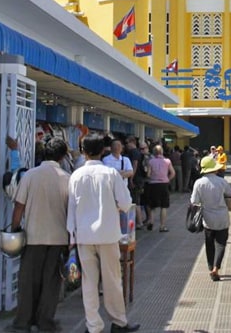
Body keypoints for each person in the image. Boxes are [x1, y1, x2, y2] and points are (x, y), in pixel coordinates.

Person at [67, 134, 140, 333]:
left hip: (83, 235)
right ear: (103, 151)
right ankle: (118, 322)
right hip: (108, 233)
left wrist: (72, 237)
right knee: (112, 280)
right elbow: (125, 204)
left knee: (88, 282)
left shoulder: (76, 176)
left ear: (83, 151)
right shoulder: (111, 174)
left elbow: (71, 209)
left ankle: (93, 326)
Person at [8, 137, 70, 332]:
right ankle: (45, 321)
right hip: (58, 238)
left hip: (33, 236)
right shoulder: (67, 178)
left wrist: (15, 228)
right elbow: (71, 211)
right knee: (51, 283)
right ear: (62, 157)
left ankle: (23, 322)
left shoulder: (30, 176)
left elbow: (19, 206)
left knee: (28, 282)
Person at [190, 155, 231, 281]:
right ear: (214, 169)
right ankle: (216, 268)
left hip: (207, 219)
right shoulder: (221, 181)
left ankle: (211, 268)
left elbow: (194, 201)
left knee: (209, 244)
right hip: (222, 217)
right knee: (221, 244)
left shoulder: (198, 183)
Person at [144, 144, 176, 233]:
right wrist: (167, 179)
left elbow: (148, 174)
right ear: (162, 152)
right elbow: (173, 173)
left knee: (152, 205)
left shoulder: (151, 161)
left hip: (153, 184)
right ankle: (162, 226)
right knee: (164, 206)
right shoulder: (167, 161)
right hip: (164, 184)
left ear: (154, 152)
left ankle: (151, 221)